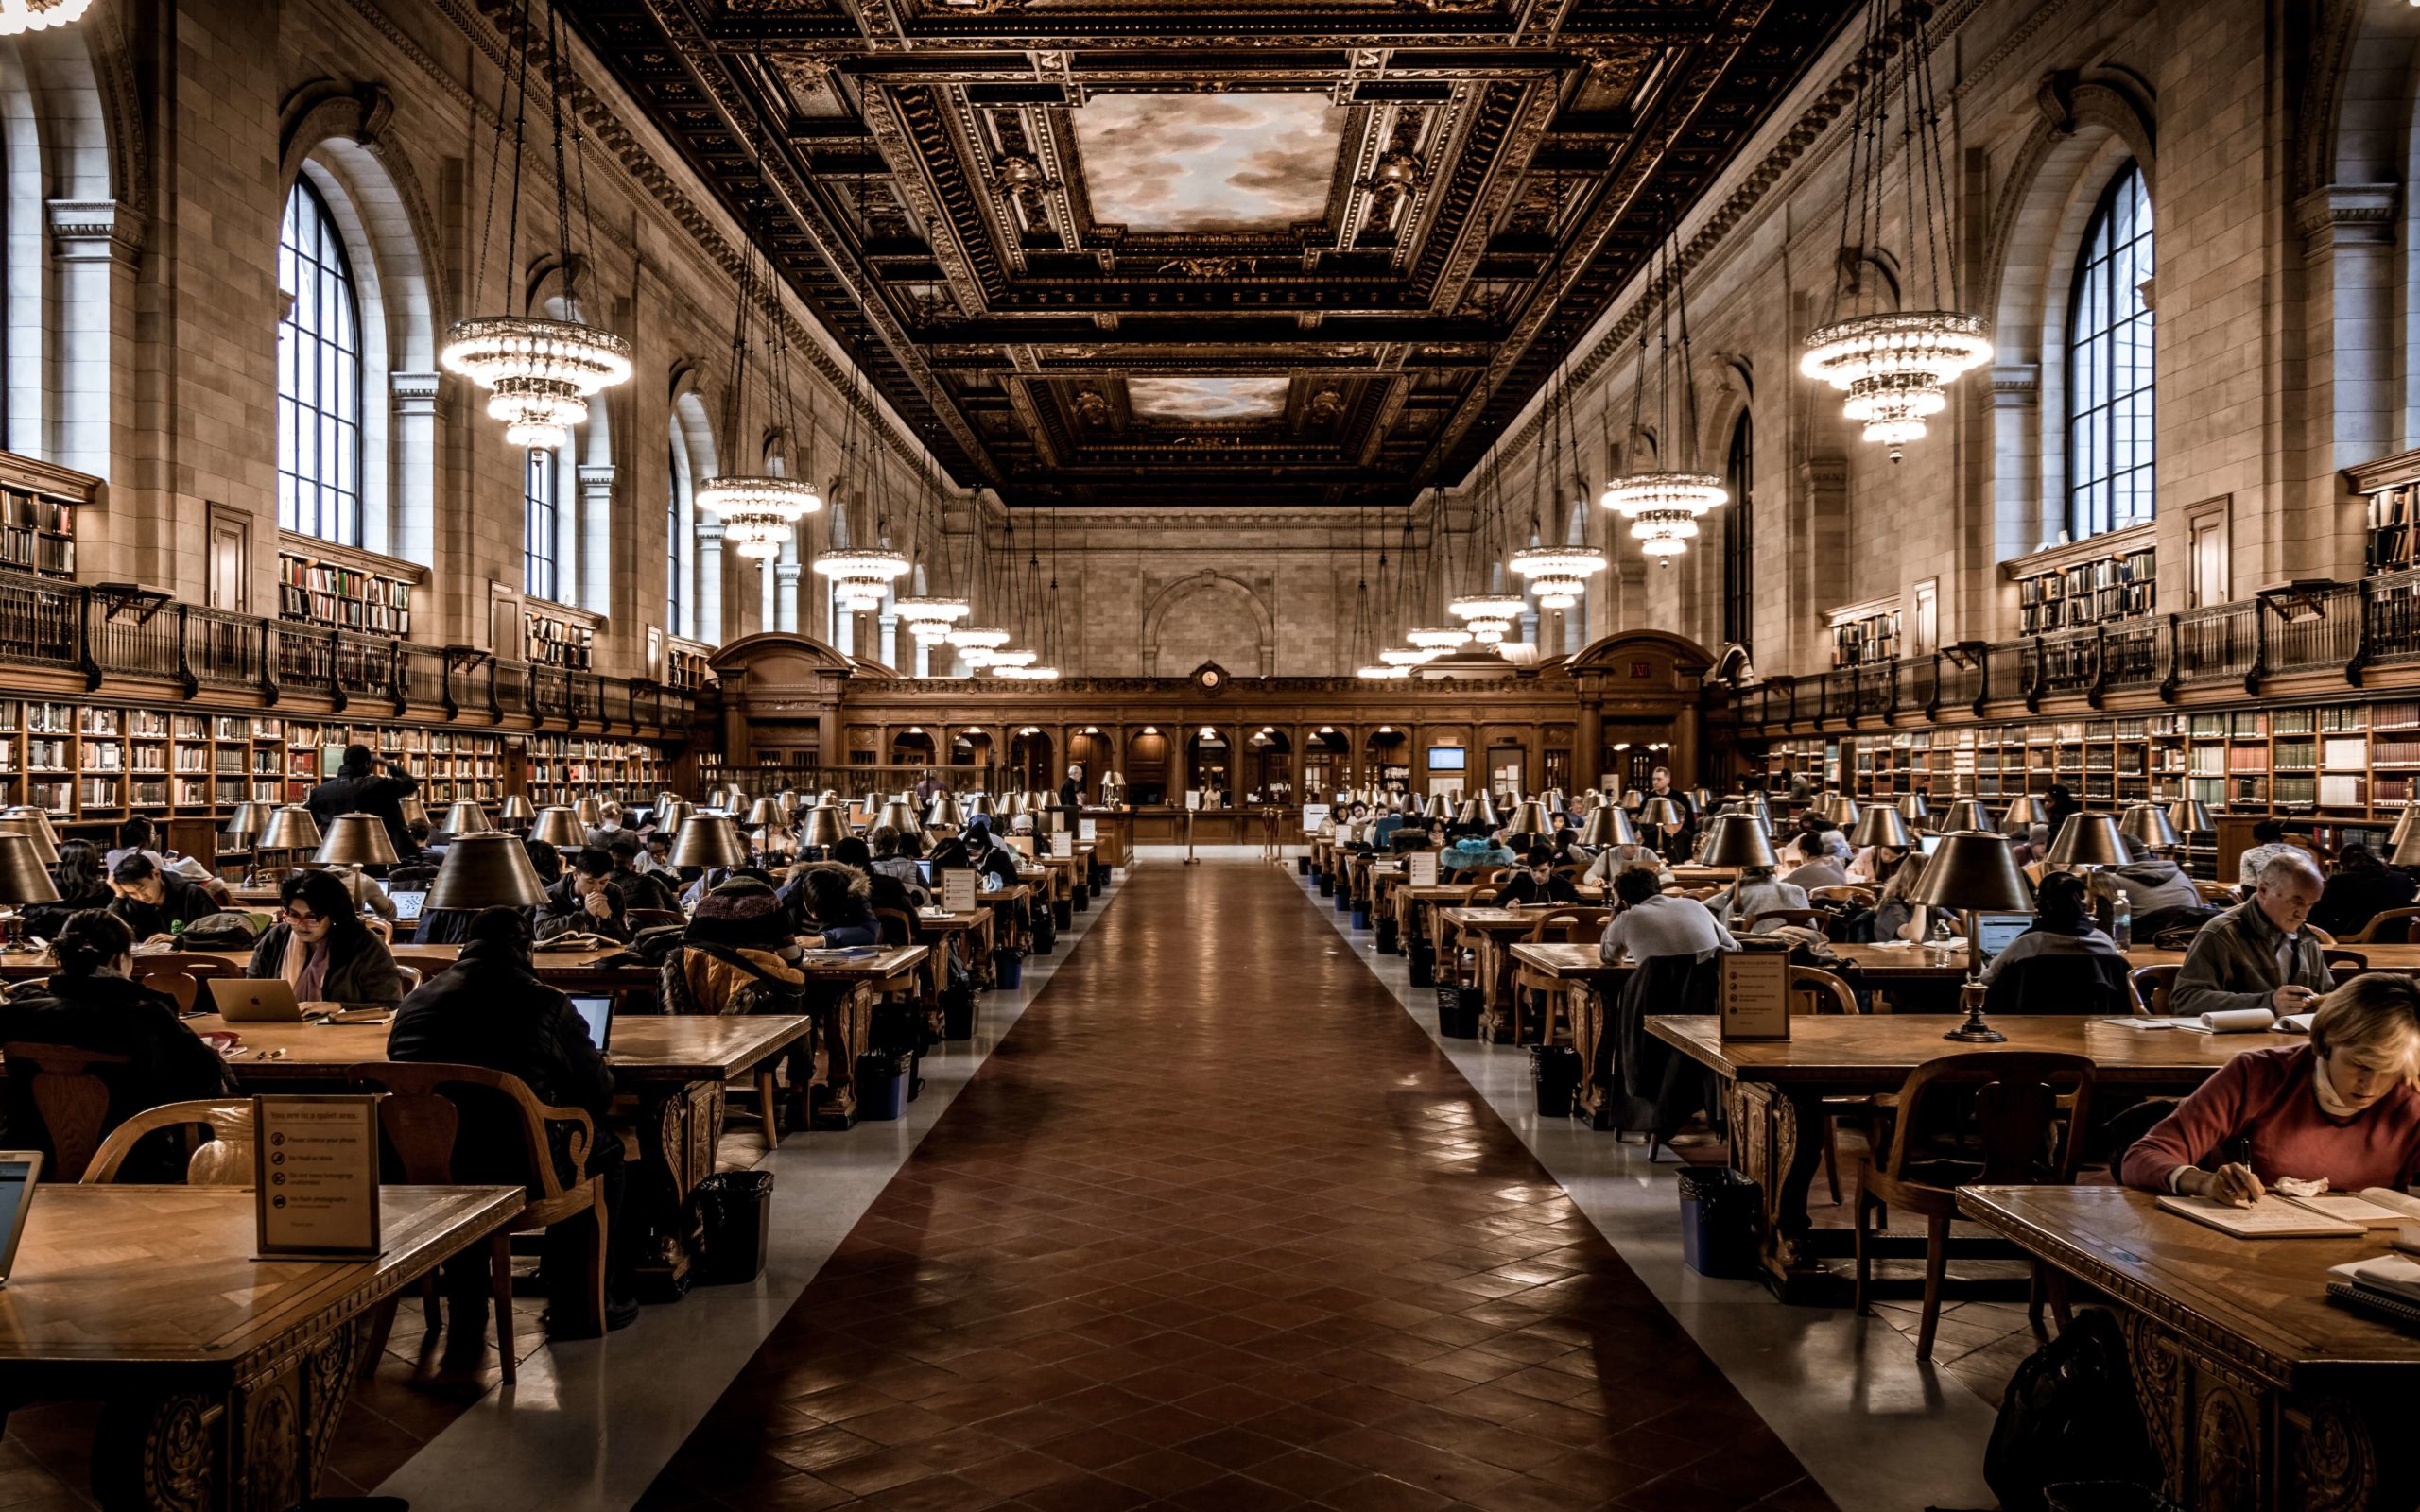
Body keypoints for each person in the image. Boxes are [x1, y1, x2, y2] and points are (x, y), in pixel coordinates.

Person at [386, 905, 637, 1340]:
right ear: (526, 947)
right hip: (521, 1166)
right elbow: (597, 1094)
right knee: (606, 1153)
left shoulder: (415, 1001)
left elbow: (400, 1069)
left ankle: (467, 1300)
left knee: (468, 1141)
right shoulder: (547, 1002)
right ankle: (581, 1299)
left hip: (431, 1166)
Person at [2121, 973, 2420, 1199]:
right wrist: (2202, 1181)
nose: (2372, 1085)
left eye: (2391, 1070)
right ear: (2327, 1040)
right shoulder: (2257, 1074)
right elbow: (2142, 1157)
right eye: (2360, 1065)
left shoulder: (2411, 1095)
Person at [0, 910, 233, 1176]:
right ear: (119, 959)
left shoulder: (17, 1013)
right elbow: (205, 1083)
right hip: (133, 1163)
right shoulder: (146, 1015)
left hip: (33, 1163)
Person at [2171, 851, 2334, 1022]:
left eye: (2311, 905)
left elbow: (2327, 993)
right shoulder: (2221, 933)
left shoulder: (2306, 938)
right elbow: (2185, 999)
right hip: (2233, 1043)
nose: (2303, 914)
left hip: (2291, 1041)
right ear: (2263, 890)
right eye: (2297, 902)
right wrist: (2268, 1002)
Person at [245, 868, 404, 1009]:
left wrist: (336, 1006)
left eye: (312, 917)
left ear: (334, 915)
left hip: (345, 1037)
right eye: (294, 915)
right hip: (281, 1033)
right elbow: (251, 993)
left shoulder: (364, 944)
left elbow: (390, 1006)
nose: (301, 925)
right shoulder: (277, 938)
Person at [1979, 872, 2124, 984]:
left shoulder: (2029, 943)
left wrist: (1978, 965)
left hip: (2031, 1019)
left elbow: (1986, 980)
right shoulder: (2103, 941)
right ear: (2083, 906)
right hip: (2093, 1019)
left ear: (2041, 906)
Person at [304, 742, 422, 862]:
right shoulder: (379, 785)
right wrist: (387, 764)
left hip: (333, 857)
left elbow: (306, 821)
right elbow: (410, 784)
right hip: (374, 856)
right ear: (366, 764)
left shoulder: (320, 792)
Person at [1599, 867, 1737, 962]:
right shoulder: (1694, 905)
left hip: (1660, 1001)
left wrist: (1616, 908)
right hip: (1710, 997)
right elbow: (1734, 947)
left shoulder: (1627, 918)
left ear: (1624, 901)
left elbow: (1609, 957)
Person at [2311, 844, 2420, 940]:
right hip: (2400, 940)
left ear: (2344, 864)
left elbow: (2318, 915)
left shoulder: (2340, 880)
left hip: (2356, 941)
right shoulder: (2403, 879)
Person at [108, 853, 223, 942]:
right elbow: (109, 934)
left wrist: (177, 940)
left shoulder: (193, 894)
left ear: (156, 874)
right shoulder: (131, 901)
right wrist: (119, 896)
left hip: (194, 965)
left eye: (143, 889)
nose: (141, 897)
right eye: (132, 893)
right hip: (147, 966)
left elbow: (220, 935)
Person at [534, 847, 631, 944]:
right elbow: (541, 933)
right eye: (590, 881)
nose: (597, 888)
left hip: (604, 955)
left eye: (603, 882)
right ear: (575, 875)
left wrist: (609, 917)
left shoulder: (614, 892)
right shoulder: (552, 894)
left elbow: (625, 940)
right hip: (561, 956)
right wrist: (584, 914)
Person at [26, 839, 113, 939]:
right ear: (93, 862)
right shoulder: (105, 890)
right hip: (91, 942)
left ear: (61, 861)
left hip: (48, 942)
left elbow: (28, 920)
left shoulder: (45, 887)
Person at [786, 861, 880, 947]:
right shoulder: (787, 897)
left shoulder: (853, 896)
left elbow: (870, 932)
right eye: (811, 908)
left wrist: (823, 939)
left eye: (821, 911)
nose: (814, 916)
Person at [1703, 864, 1809, 933]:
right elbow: (1812, 927)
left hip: (1750, 955)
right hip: (1799, 955)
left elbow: (1727, 933)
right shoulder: (1797, 891)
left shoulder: (1740, 896)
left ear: (1743, 869)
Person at [2102, 850, 2203, 916]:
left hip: (2142, 941)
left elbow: (2106, 920)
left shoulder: (2116, 881)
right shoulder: (2180, 875)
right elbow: (2199, 908)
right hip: (2186, 939)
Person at [605, 836, 680, 915]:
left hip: (622, 926)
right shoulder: (651, 880)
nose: (655, 856)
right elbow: (678, 911)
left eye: (660, 851)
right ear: (634, 867)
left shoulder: (600, 886)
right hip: (657, 925)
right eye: (652, 852)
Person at [1870, 851, 1933, 943]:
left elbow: (1962, 931)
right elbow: (1914, 937)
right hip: (1899, 957)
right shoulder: (1892, 906)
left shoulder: (1931, 906)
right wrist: (1921, 894)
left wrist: (1954, 896)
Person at [2234, 819, 2303, 894]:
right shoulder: (2303, 854)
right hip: (2302, 902)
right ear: (2281, 837)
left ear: (2257, 840)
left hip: (2268, 902)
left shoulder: (2249, 854)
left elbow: (2248, 888)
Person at [1494, 848, 1581, 907]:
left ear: (1552, 866)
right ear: (1529, 867)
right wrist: (1506, 906)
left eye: (1543, 871)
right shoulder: (1519, 882)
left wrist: (1568, 907)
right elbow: (1495, 904)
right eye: (1534, 870)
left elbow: (1584, 905)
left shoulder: (1563, 884)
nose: (1538, 876)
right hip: (1525, 928)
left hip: (1554, 929)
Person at [960, 816, 1022, 892]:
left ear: (986, 846)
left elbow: (1013, 881)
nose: (973, 852)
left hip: (997, 901)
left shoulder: (1000, 857)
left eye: (977, 848)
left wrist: (984, 881)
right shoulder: (961, 858)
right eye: (970, 849)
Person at [1582, 837, 1671, 889]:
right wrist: (1595, 880)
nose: (1636, 848)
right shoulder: (1609, 854)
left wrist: (1649, 882)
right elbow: (1589, 875)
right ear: (1622, 842)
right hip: (1619, 898)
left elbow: (1669, 876)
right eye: (1631, 844)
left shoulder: (1647, 853)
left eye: (1638, 842)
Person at [101, 816, 170, 876]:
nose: (155, 837)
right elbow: (164, 879)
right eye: (153, 833)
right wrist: (168, 864)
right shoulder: (150, 855)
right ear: (143, 835)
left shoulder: (111, 854)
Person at [1782, 832, 1852, 891]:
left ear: (1804, 852)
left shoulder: (1807, 869)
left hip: (1820, 906)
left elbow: (1781, 886)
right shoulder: (1836, 861)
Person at [1441, 829, 1515, 876]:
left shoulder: (1452, 858)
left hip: (1458, 897)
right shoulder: (1501, 858)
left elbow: (1445, 883)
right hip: (1492, 895)